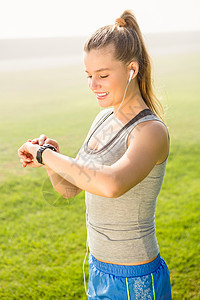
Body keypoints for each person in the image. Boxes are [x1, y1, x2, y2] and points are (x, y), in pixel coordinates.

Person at [18, 9, 172, 300]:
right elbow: (70, 190)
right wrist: (52, 160)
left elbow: (111, 184)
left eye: (102, 75)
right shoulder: (102, 120)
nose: (93, 85)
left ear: (132, 70)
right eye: (89, 75)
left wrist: (43, 155)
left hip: (135, 275)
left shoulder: (150, 131)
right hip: (99, 269)